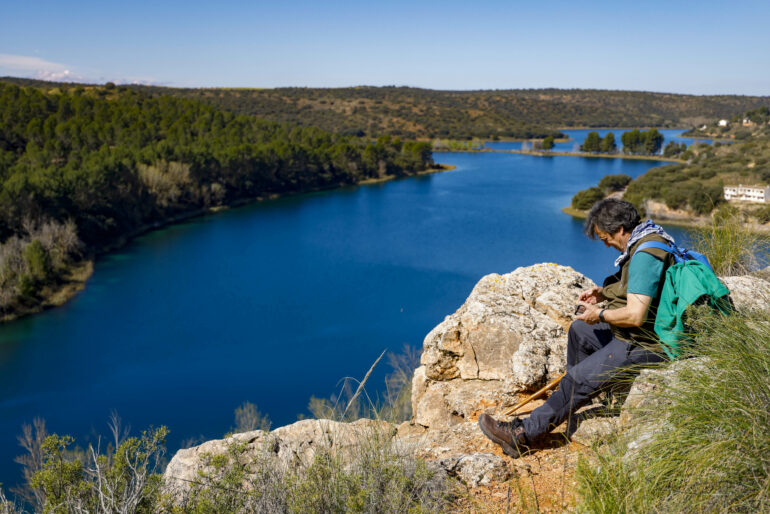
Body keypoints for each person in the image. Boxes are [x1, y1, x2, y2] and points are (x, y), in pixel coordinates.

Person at [478, 198, 676, 458]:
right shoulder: (647, 238)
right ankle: (579, 398)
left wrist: (601, 314)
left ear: (619, 229)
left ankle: (523, 436)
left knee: (578, 377)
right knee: (580, 332)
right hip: (641, 334)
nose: (605, 243)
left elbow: (636, 315)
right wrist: (603, 293)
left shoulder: (646, 254)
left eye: (604, 237)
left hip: (649, 342)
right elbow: (641, 290)